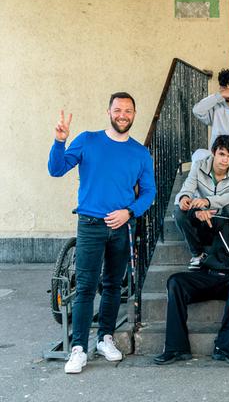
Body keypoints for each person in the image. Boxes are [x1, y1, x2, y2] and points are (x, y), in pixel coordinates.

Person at [48, 93, 156, 374]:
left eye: (128, 110)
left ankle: (105, 337)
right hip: (90, 225)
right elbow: (56, 170)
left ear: (134, 114)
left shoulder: (140, 153)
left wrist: (129, 212)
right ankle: (79, 348)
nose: (123, 115)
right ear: (109, 112)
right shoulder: (88, 140)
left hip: (122, 226)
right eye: (118, 109)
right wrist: (59, 141)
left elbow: (149, 192)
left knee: (112, 286)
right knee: (85, 287)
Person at [153, 198, 229, 366]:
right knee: (175, 281)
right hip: (210, 275)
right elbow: (187, 219)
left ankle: (226, 348)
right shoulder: (224, 223)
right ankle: (176, 347)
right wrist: (197, 213)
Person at [174, 135, 229, 270]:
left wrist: (208, 201)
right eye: (222, 154)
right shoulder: (199, 165)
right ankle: (198, 255)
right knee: (178, 211)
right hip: (201, 217)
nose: (225, 160)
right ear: (213, 152)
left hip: (222, 219)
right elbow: (188, 187)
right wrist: (184, 198)